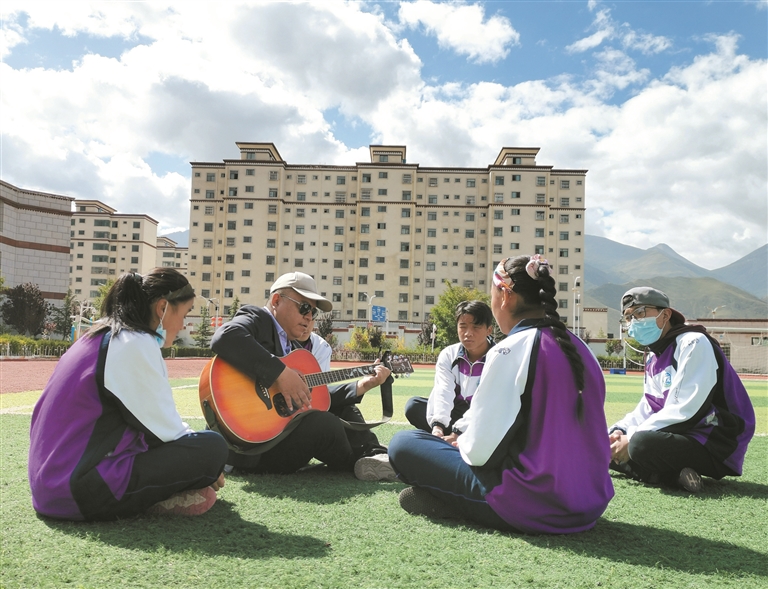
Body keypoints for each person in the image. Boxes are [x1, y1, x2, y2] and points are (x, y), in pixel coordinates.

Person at [388, 255, 614, 534]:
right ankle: (456, 501)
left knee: (403, 443)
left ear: (505, 296)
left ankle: (459, 503)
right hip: (588, 504)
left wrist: (459, 442)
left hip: (535, 503)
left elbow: (480, 453)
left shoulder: (511, 348)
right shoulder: (581, 348)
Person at [28, 268, 228, 521]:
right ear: (163, 307)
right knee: (212, 448)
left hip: (50, 487)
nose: (182, 325)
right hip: (78, 490)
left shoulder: (97, 336)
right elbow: (168, 431)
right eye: (185, 314)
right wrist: (208, 467)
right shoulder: (134, 342)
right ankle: (157, 497)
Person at [210, 271, 396, 481]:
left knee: (343, 408)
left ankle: (374, 455)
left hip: (275, 438)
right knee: (324, 424)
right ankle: (358, 463)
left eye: (313, 312)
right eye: (304, 307)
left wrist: (361, 385)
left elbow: (316, 398)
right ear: (276, 300)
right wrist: (280, 374)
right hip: (250, 448)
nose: (309, 316)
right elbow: (225, 337)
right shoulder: (258, 318)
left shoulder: (294, 348)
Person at [608, 287, 755, 492]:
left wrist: (631, 437)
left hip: (716, 440)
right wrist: (617, 431)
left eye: (640, 312)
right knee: (605, 448)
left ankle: (657, 473)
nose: (633, 322)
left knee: (640, 444)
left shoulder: (693, 343)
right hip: (683, 435)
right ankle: (676, 477)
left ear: (665, 315)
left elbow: (686, 409)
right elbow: (648, 408)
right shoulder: (653, 357)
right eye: (628, 317)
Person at [404, 300, 494, 444]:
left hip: (484, 417)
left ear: (489, 330)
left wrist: (457, 433)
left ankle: (458, 441)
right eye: (463, 327)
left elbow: (489, 403)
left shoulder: (498, 357)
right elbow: (443, 390)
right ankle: (446, 440)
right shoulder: (449, 354)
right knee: (414, 406)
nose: (468, 333)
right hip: (456, 413)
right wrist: (438, 427)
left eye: (476, 327)